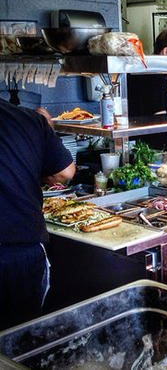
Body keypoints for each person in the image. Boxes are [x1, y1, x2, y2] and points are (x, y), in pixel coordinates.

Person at [0, 98, 76, 330]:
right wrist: (29, 175)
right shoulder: (28, 117)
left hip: (20, 249)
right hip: (24, 253)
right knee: (22, 343)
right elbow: (66, 171)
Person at [126, 30, 167, 118]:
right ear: (166, 52)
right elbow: (160, 119)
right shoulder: (156, 76)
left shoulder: (141, 68)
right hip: (149, 130)